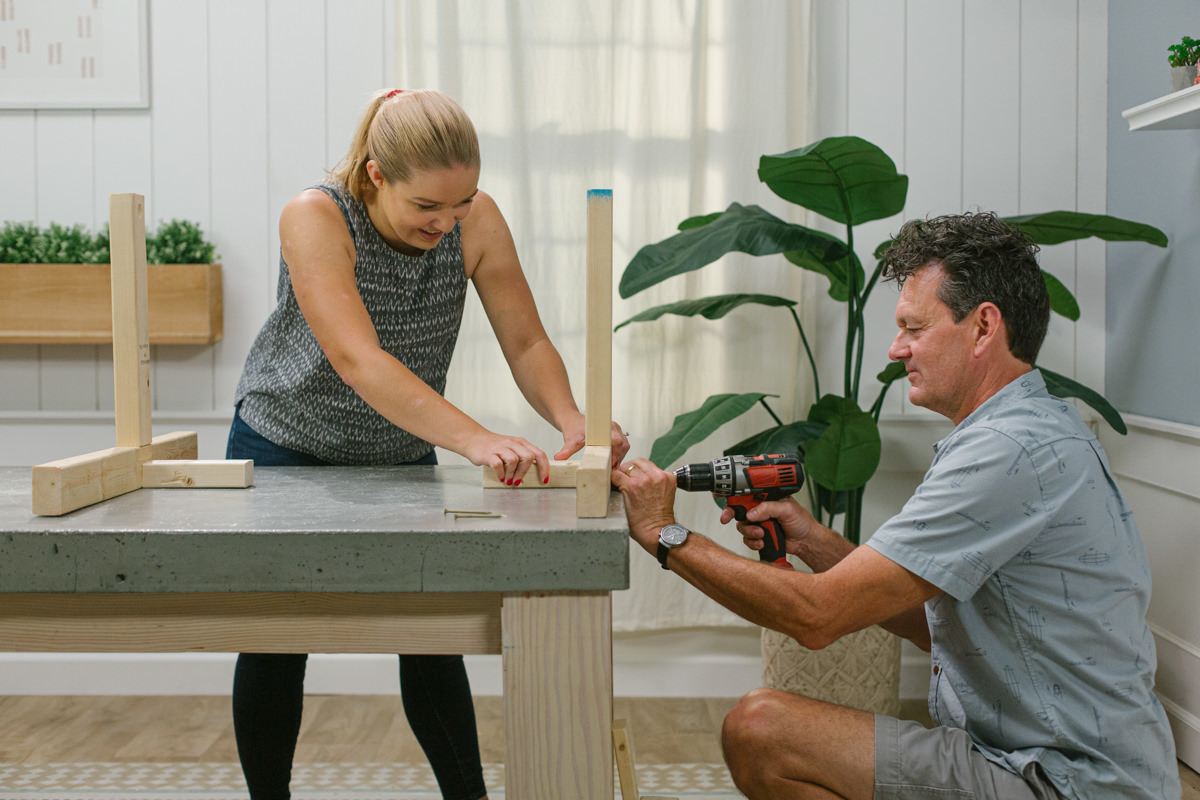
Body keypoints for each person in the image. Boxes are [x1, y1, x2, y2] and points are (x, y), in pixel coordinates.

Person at [611, 212, 1180, 800]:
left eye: (913, 327)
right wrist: (811, 541)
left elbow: (817, 618)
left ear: (983, 327)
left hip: (1067, 782)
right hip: (1058, 763)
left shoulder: (1006, 451)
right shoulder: (1034, 425)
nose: (895, 347)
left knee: (761, 730)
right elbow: (936, 627)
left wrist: (663, 533)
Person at [227, 88, 629, 800]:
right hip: (286, 442)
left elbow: (527, 339)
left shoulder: (476, 221)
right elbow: (359, 360)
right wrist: (476, 440)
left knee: (433, 638)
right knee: (275, 641)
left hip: (399, 443)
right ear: (377, 175)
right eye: (427, 208)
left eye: (462, 204)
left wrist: (572, 420)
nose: (447, 223)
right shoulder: (315, 215)